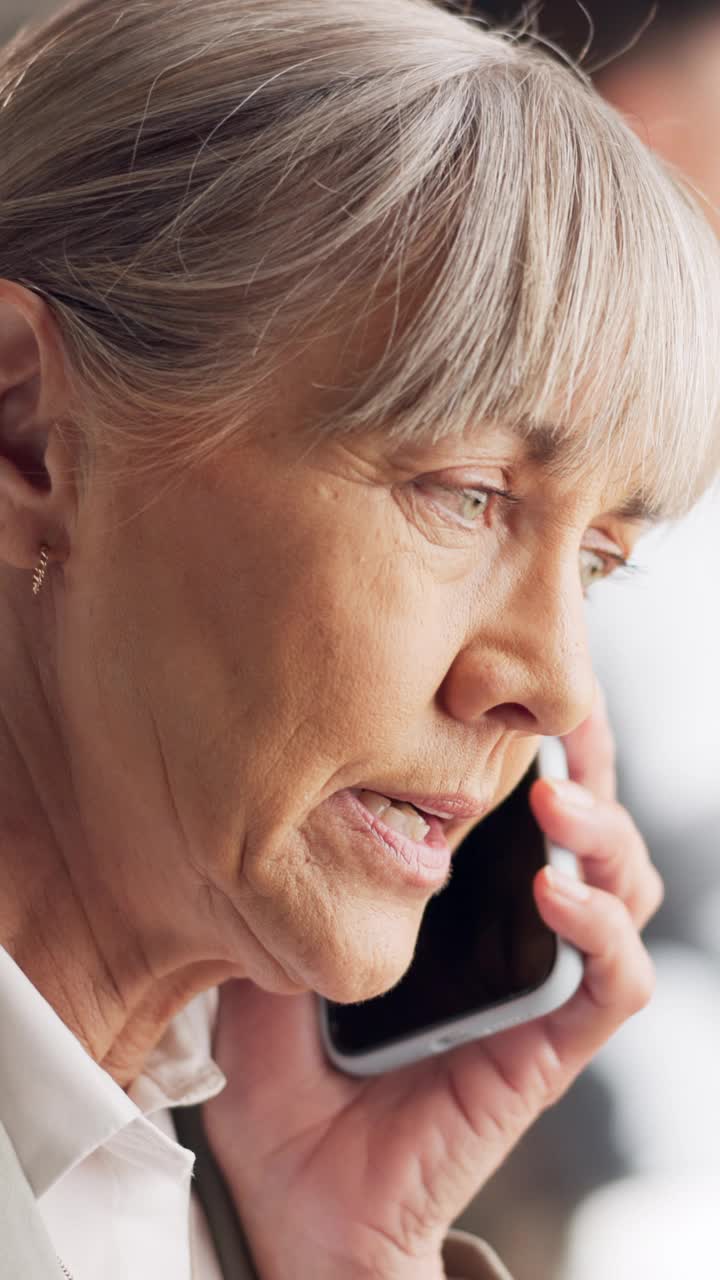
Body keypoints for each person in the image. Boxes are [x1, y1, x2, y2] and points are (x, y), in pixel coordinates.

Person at [0, 1, 718, 1277]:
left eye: (598, 562)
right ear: (27, 431)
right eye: (467, 494)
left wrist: (343, 1252)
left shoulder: (209, 1190)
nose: (553, 687)